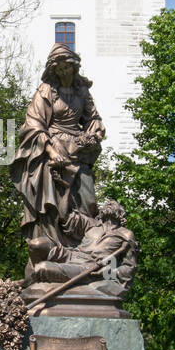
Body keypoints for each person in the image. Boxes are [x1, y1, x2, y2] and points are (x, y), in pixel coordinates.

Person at [8, 43, 105, 249]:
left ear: (74, 67)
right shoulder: (46, 91)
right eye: (59, 69)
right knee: (58, 206)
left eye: (66, 67)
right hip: (54, 149)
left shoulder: (83, 92)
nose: (63, 72)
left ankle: (86, 249)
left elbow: (93, 118)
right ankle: (57, 249)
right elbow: (34, 124)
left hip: (79, 150)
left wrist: (93, 134)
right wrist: (51, 151)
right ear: (54, 70)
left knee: (87, 201)